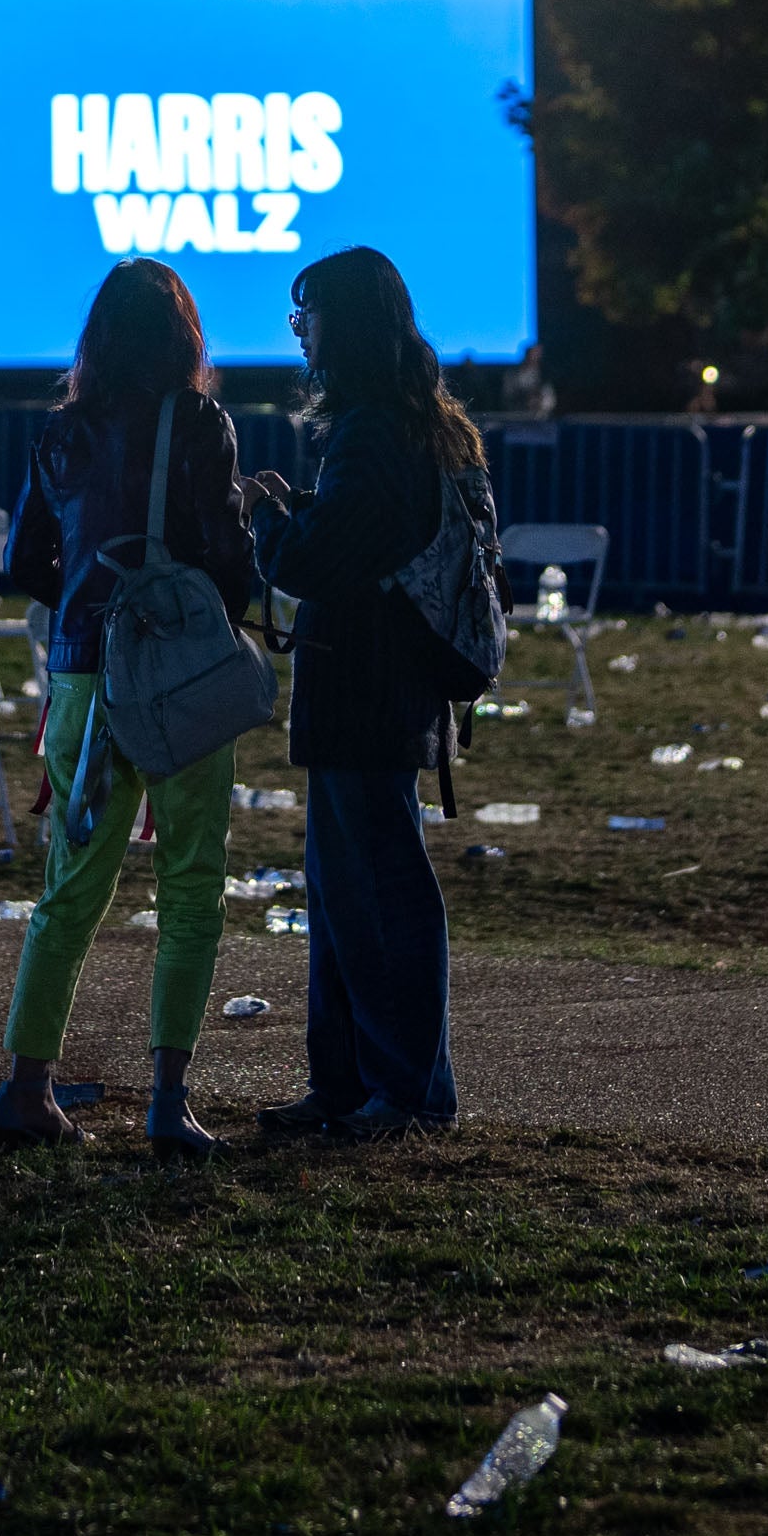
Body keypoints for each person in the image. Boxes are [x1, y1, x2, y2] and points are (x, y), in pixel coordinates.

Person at [0, 257, 261, 1156]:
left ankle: (26, 1089)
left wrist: (89, 591)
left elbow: (25, 564)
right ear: (184, 336)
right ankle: (169, 1102)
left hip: (82, 678)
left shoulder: (62, 434)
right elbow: (228, 562)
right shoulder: (200, 423)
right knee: (190, 884)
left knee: (70, 887)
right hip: (177, 680)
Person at [255, 241, 488, 1133]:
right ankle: (349, 1084)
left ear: (340, 326)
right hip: (386, 687)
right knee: (345, 890)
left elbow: (324, 561)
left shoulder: (371, 432)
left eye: (305, 319)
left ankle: (405, 1092)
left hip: (365, 687)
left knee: (375, 890)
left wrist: (274, 521)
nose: (299, 337)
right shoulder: (407, 421)